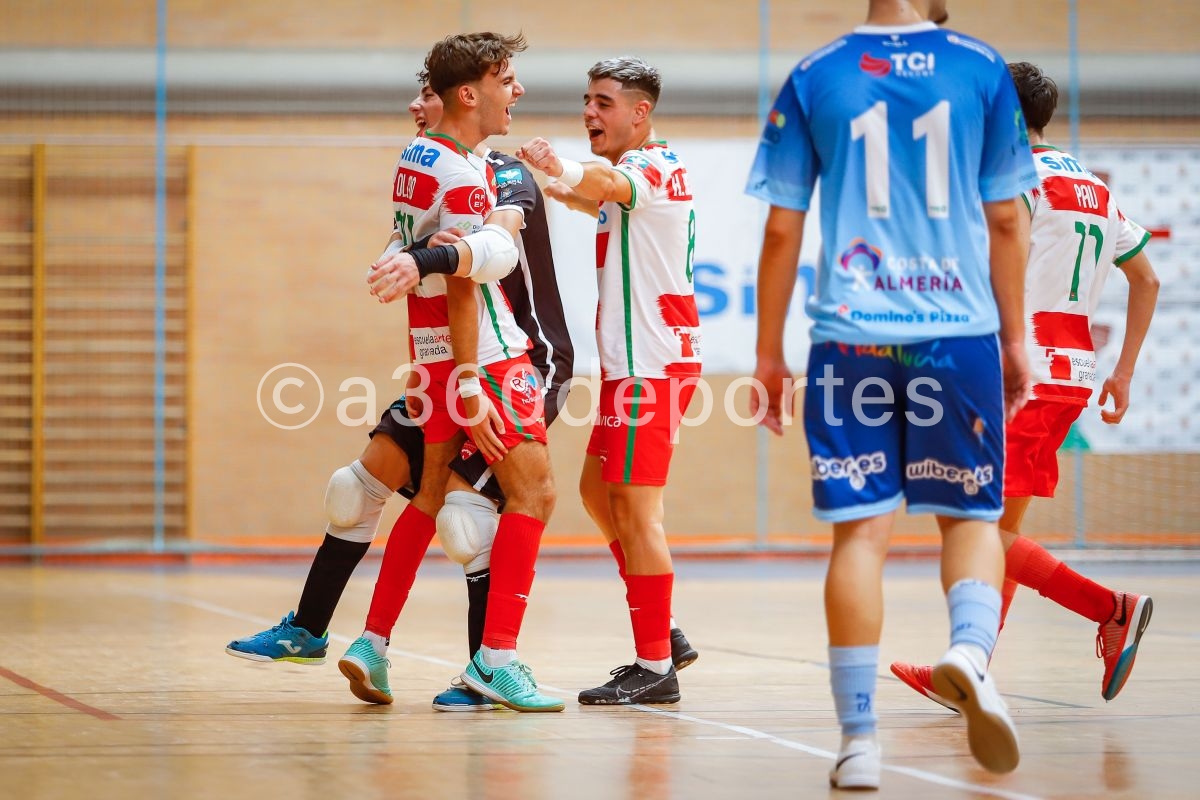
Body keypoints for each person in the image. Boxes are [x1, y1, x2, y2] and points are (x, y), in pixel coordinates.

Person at [746, 0, 1038, 788]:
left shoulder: (815, 72)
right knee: (970, 518)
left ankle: (858, 741)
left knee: (860, 538)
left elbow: (781, 230)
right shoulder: (980, 67)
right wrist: (1016, 338)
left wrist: (770, 352)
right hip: (959, 333)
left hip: (851, 337)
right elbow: (1007, 221)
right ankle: (970, 652)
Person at [228, 32, 561, 714]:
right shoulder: (462, 170)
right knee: (524, 500)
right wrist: (468, 374)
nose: (517, 91)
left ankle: (375, 643)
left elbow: (476, 248)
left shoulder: (446, 162)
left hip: (458, 352)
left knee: (437, 499)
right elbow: (473, 274)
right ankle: (492, 662)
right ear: (465, 95)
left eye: (422, 94)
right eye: (507, 79)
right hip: (489, 357)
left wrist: (426, 259)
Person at [890, 61, 1159, 710]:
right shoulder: (1092, 186)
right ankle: (971, 670)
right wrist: (1121, 371)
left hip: (1012, 376)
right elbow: (1146, 278)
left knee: (970, 528)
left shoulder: (1004, 179)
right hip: (1070, 378)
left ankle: (1109, 608)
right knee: (998, 528)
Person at [519, 56, 702, 706]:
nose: (590, 113)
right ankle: (666, 632)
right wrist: (534, 183)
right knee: (600, 493)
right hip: (635, 366)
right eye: (587, 101)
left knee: (636, 507)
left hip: (652, 365)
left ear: (639, 112)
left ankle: (655, 667)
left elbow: (595, 181)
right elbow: (584, 193)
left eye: (603, 102)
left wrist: (554, 163)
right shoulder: (629, 174)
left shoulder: (649, 168)